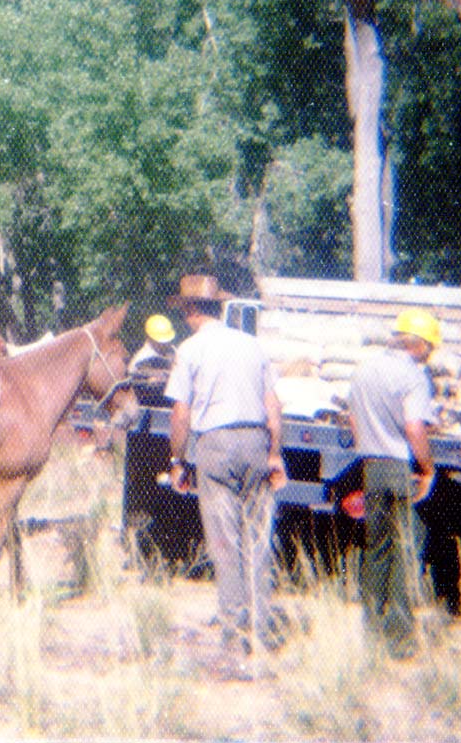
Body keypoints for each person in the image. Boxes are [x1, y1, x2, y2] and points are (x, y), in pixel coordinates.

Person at [164, 274, 287, 656]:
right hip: (255, 440)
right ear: (218, 306)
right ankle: (261, 628)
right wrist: (274, 454)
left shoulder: (190, 350)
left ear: (189, 310)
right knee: (257, 537)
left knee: (225, 541)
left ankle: (235, 634)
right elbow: (274, 408)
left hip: (214, 445)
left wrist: (177, 460)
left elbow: (181, 414)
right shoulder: (252, 346)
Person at [347, 307, 439, 659]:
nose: (429, 355)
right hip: (401, 468)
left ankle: (370, 627)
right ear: (419, 345)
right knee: (406, 547)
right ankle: (399, 637)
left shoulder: (365, 369)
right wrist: (427, 468)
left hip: (371, 466)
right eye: (430, 348)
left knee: (377, 547)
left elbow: (355, 416)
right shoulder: (414, 377)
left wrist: (366, 448)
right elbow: (415, 428)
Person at [129, 313, 178, 378]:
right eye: (160, 342)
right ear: (150, 338)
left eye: (167, 341)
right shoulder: (142, 358)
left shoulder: (172, 350)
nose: (165, 344)